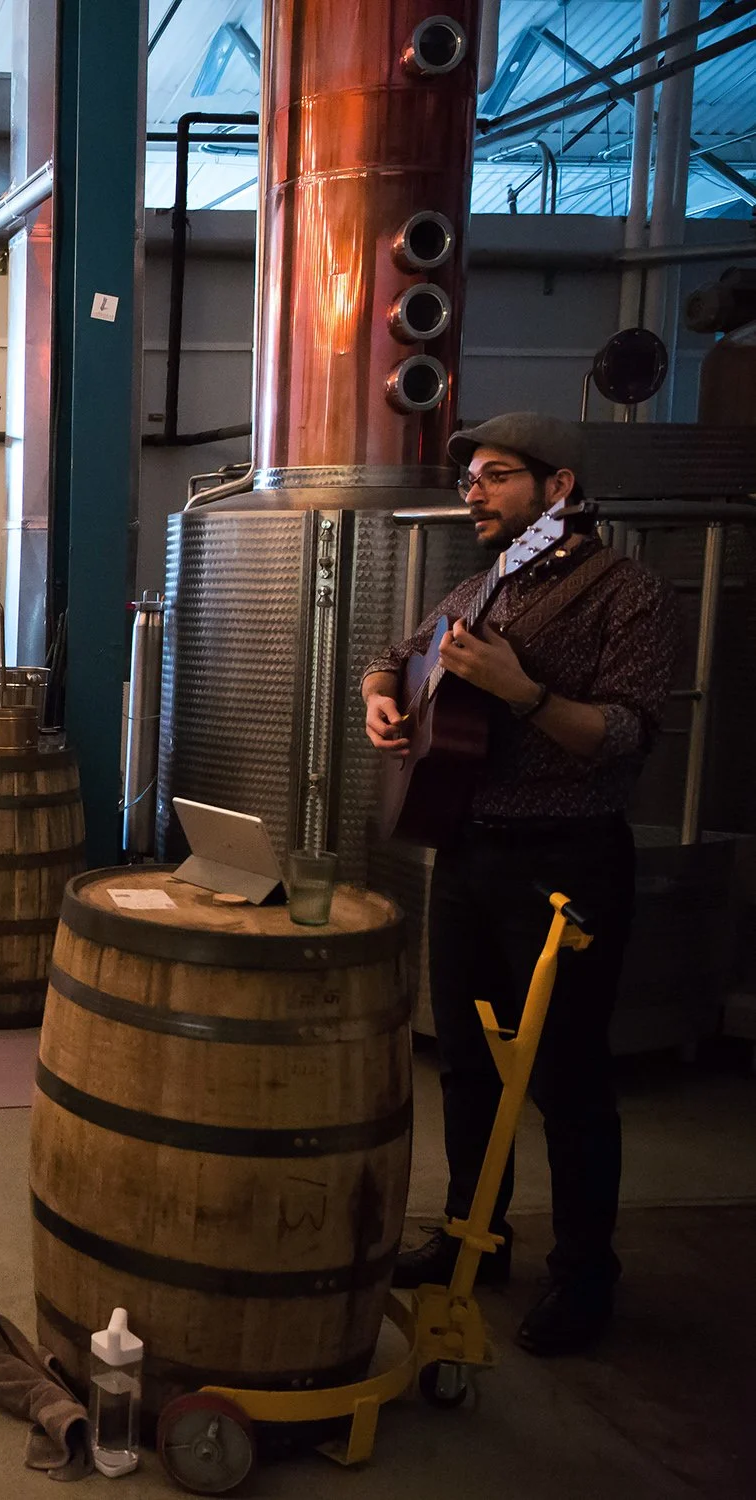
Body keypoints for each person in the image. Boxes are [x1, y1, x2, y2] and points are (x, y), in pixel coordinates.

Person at [363, 413, 674, 1358]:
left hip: (566, 860)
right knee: (464, 1063)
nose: (475, 493)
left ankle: (585, 1275)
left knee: (569, 1077)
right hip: (468, 851)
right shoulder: (483, 584)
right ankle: (476, 1235)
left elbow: (629, 737)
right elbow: (395, 652)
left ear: (558, 487)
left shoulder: (626, 591)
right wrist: (381, 695)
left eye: (497, 476)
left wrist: (520, 690)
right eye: (471, 480)